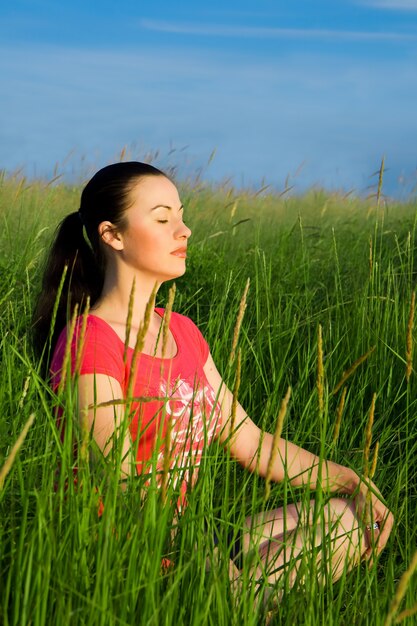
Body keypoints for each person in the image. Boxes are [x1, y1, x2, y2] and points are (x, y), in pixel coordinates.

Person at [33, 161, 393, 599]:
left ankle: (244, 596)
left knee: (347, 520)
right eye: (163, 218)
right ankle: (234, 601)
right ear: (113, 235)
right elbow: (123, 485)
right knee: (310, 552)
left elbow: (250, 442)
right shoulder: (89, 339)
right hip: (124, 554)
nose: (183, 230)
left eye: (181, 216)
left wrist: (350, 480)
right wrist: (214, 565)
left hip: (185, 537)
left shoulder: (182, 331)